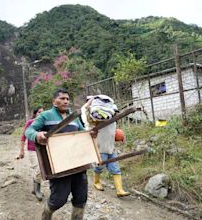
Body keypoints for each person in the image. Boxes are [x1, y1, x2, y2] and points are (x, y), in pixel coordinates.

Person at [25, 88, 95, 220]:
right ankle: (46, 215)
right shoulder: (45, 115)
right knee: (58, 199)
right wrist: (37, 135)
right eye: (62, 98)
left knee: (81, 197)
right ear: (54, 101)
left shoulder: (73, 117)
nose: (66, 101)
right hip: (58, 165)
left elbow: (81, 133)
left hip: (77, 162)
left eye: (67, 99)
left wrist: (90, 134)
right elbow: (29, 131)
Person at [81, 96, 130, 197]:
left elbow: (113, 129)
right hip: (99, 147)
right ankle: (96, 182)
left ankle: (120, 190)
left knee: (115, 168)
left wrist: (120, 135)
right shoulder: (91, 117)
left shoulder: (109, 114)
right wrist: (89, 103)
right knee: (99, 167)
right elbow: (84, 111)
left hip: (111, 147)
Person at [18, 106, 44, 201]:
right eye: (39, 112)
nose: (41, 114)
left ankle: (35, 188)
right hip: (32, 149)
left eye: (43, 112)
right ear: (35, 113)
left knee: (42, 169)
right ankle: (37, 189)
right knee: (38, 169)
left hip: (43, 149)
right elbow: (23, 137)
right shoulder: (30, 122)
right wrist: (21, 151)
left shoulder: (44, 123)